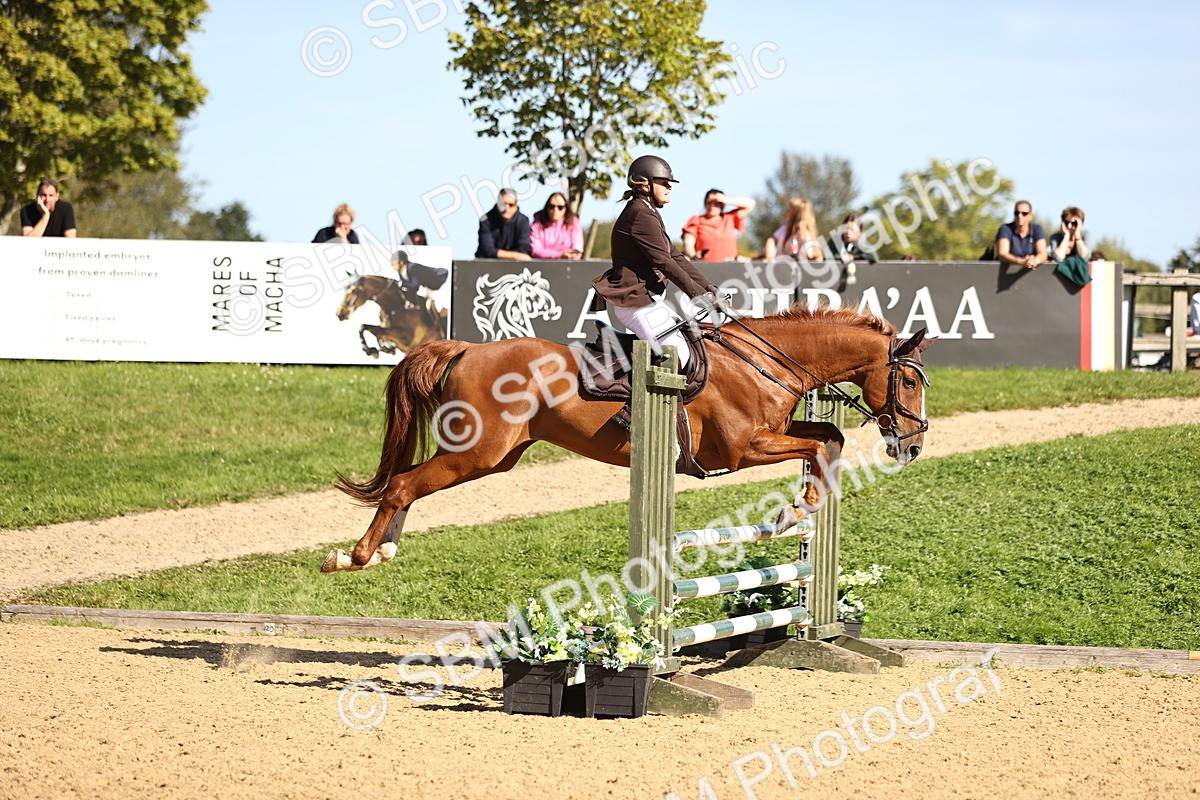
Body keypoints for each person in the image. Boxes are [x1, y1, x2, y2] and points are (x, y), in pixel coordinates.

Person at [592, 155, 729, 431]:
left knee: (690, 347)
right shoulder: (640, 213)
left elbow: (675, 255)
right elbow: (663, 262)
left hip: (647, 300)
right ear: (644, 184)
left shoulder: (648, 211)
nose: (669, 188)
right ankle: (631, 411)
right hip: (635, 303)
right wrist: (699, 297)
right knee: (674, 353)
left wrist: (707, 287)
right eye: (664, 183)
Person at [681, 189, 755, 262]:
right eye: (709, 202)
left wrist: (726, 200)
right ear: (705, 203)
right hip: (705, 266)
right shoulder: (696, 220)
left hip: (729, 266)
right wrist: (693, 256)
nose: (712, 206)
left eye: (716, 203)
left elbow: (750, 204)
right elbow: (688, 243)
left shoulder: (729, 218)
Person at [475, 188, 531, 260]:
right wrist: (515, 256)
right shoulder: (485, 220)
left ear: (516, 205)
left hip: (515, 267)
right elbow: (487, 250)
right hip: (487, 265)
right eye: (503, 204)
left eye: (511, 205)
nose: (506, 208)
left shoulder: (523, 221)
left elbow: (524, 248)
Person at [529, 192, 583, 259]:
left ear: (566, 208)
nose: (555, 210)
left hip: (568, 265)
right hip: (542, 266)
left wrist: (572, 255)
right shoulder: (537, 224)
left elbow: (577, 249)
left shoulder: (574, 223)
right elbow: (535, 251)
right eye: (551, 206)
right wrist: (560, 255)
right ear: (547, 207)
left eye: (560, 207)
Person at [995, 200, 1047, 270]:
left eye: (1024, 213)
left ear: (1030, 216)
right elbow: (1002, 254)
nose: (1020, 216)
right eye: (1017, 213)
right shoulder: (1005, 229)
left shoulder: (1037, 229)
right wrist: (1021, 261)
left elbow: (1043, 254)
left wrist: (1035, 261)